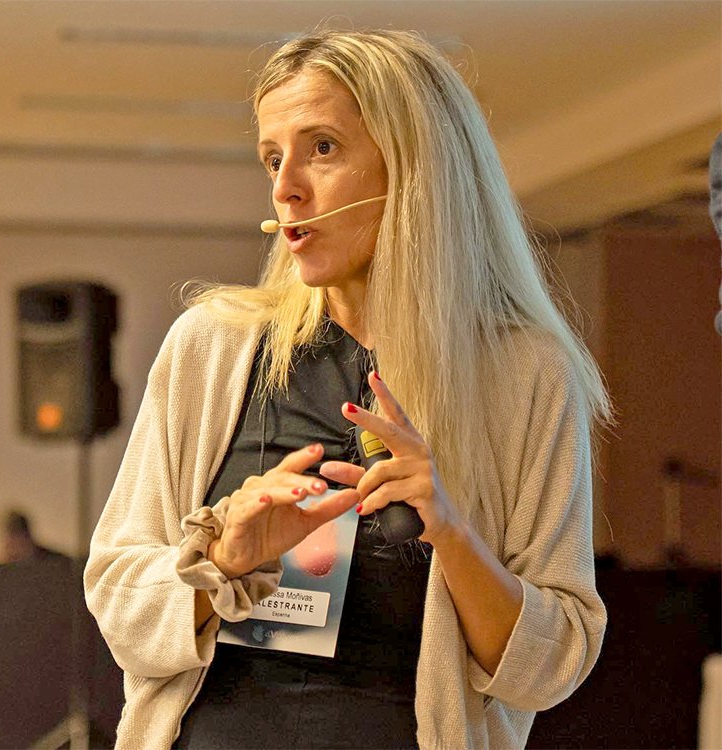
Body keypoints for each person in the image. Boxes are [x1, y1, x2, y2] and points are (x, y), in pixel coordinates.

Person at [84, 29, 610, 750]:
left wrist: (451, 531)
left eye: (322, 148)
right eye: (273, 158)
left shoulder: (526, 373)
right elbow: (118, 601)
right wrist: (225, 564)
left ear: (416, 165)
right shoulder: (210, 347)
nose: (285, 188)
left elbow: (550, 670)